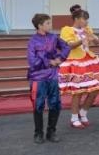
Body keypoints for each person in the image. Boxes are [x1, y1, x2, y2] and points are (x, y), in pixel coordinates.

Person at [58, 5, 99, 128]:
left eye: (87, 19)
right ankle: (74, 118)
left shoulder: (87, 29)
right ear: (77, 19)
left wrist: (93, 38)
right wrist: (81, 40)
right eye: (84, 19)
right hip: (75, 61)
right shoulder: (66, 30)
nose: (86, 22)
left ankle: (83, 112)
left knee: (96, 89)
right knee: (77, 92)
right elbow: (69, 45)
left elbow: (97, 42)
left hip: (90, 60)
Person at [27, 13, 70, 144]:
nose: (51, 25)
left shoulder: (54, 37)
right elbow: (32, 61)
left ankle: (51, 132)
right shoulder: (32, 41)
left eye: (50, 23)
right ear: (39, 26)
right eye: (48, 23)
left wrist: (60, 58)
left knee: (55, 104)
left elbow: (66, 47)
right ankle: (38, 133)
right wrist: (49, 62)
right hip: (38, 77)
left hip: (53, 76)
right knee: (38, 105)